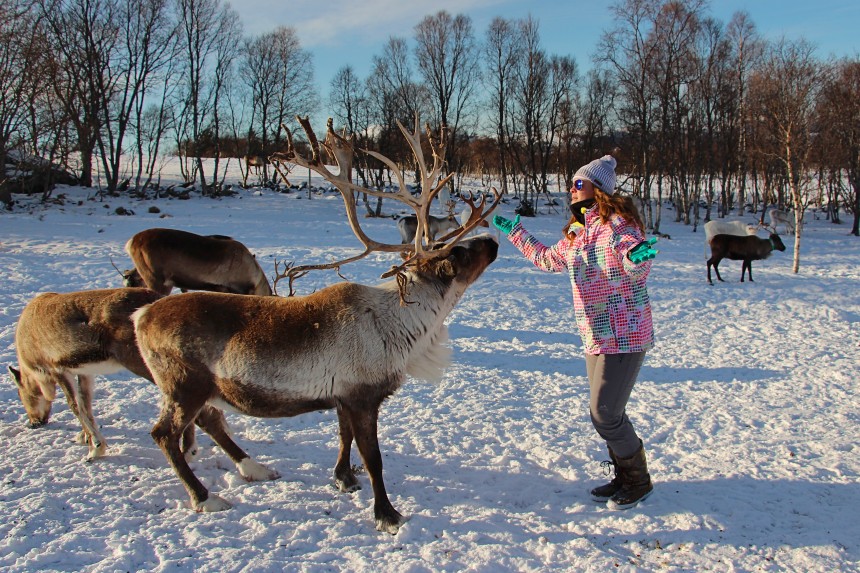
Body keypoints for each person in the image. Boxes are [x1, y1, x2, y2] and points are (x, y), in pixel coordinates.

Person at [492, 154, 658, 510]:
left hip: (625, 332)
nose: (572, 188)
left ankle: (638, 480)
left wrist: (637, 259)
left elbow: (630, 258)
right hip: (595, 334)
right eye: (571, 183)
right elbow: (547, 259)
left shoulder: (618, 225)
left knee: (605, 413)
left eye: (579, 183)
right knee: (606, 413)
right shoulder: (578, 233)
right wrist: (516, 233)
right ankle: (624, 475)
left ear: (598, 190)